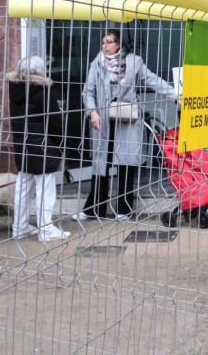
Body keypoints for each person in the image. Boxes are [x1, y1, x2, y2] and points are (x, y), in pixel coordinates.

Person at [74, 29, 177, 222]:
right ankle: (93, 209)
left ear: (119, 44)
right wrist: (92, 112)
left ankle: (124, 210)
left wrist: (175, 94)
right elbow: (88, 91)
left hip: (127, 119)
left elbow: (152, 80)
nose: (105, 46)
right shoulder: (96, 64)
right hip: (103, 120)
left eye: (110, 42)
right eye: (103, 42)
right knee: (101, 165)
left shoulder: (134, 62)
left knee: (126, 164)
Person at [8, 56, 70, 242]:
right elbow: (54, 121)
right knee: (45, 189)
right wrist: (61, 142)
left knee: (23, 187)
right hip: (43, 146)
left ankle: (19, 227)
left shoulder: (15, 88)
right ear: (40, 71)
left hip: (23, 146)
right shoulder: (43, 89)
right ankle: (46, 229)